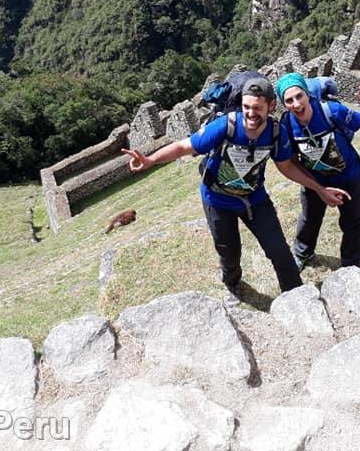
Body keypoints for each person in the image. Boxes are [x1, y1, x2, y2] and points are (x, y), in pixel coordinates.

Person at [122, 77, 348, 305]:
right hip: (217, 200)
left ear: (271, 107)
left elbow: (287, 166)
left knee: (280, 252)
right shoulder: (226, 125)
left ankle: (297, 301)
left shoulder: (276, 133)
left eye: (257, 108)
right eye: (246, 107)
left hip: (255, 200)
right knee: (229, 253)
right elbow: (184, 146)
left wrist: (319, 190)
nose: (251, 113)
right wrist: (150, 160)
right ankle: (233, 284)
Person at [275, 72, 360, 270]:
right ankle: (302, 253)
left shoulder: (330, 110)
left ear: (307, 95)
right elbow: (291, 161)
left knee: (353, 222)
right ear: (284, 104)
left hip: (349, 176)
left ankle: (351, 266)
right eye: (289, 100)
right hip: (315, 180)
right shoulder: (287, 125)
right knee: (310, 218)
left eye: (299, 96)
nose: (296, 104)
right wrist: (316, 187)